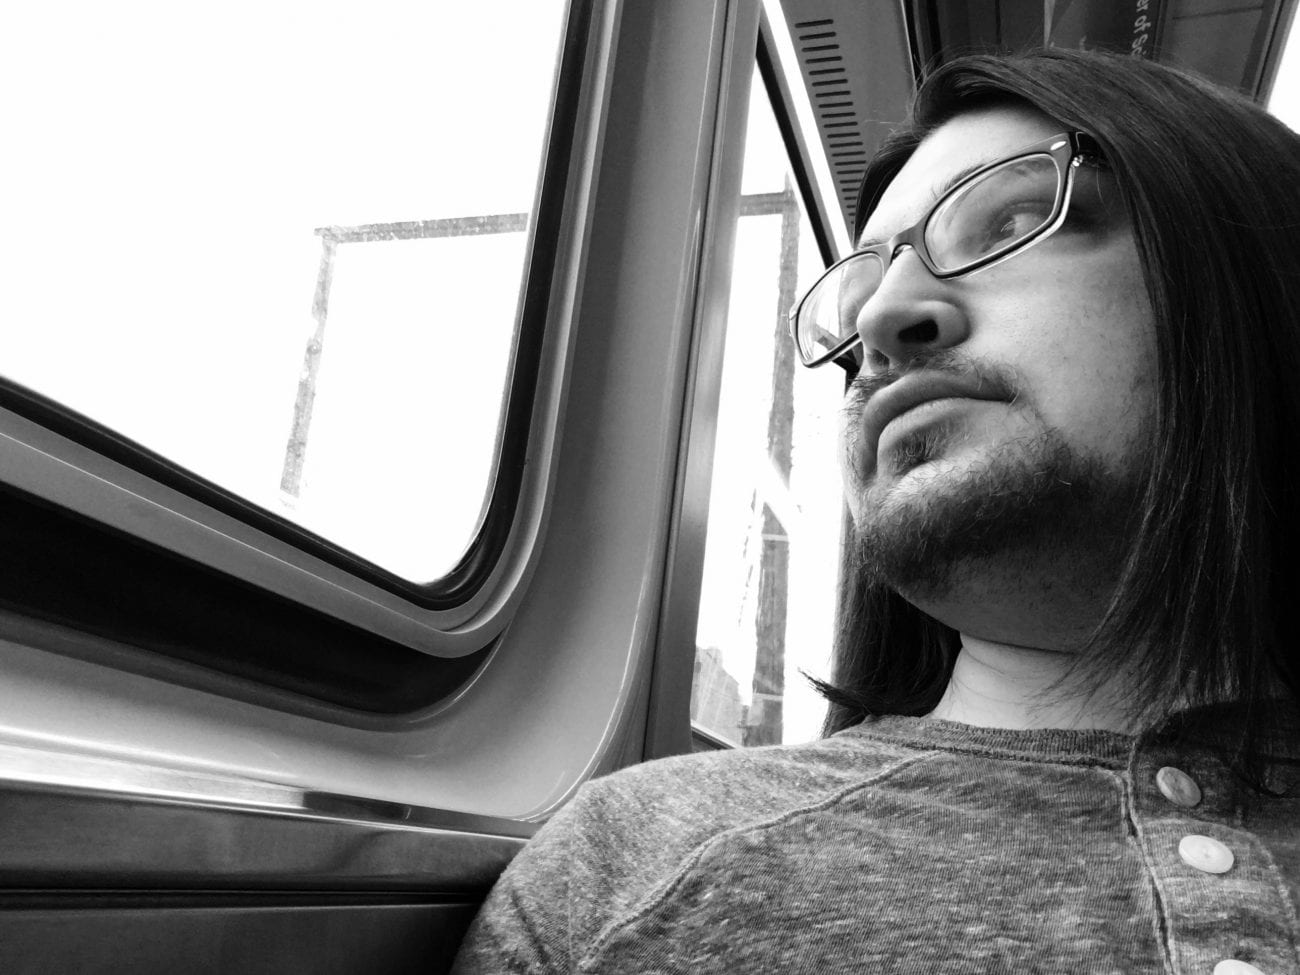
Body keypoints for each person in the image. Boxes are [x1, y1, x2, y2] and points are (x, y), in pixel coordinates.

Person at [452, 48, 1300, 974]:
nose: (884, 320)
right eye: (857, 299)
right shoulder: (630, 872)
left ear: (1258, 278)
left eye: (1013, 218)